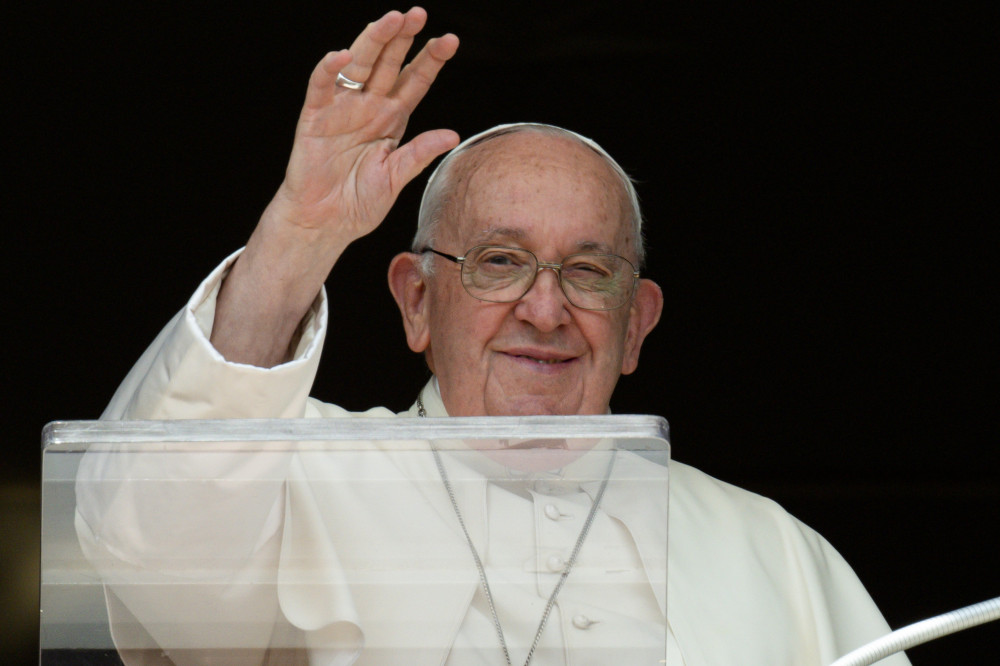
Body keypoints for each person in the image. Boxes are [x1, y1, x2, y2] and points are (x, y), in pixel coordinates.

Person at [75, 7, 910, 666]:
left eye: (589, 272)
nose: (544, 312)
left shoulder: (769, 550)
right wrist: (298, 235)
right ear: (416, 304)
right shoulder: (298, 477)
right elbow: (150, 539)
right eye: (498, 262)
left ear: (636, 326)